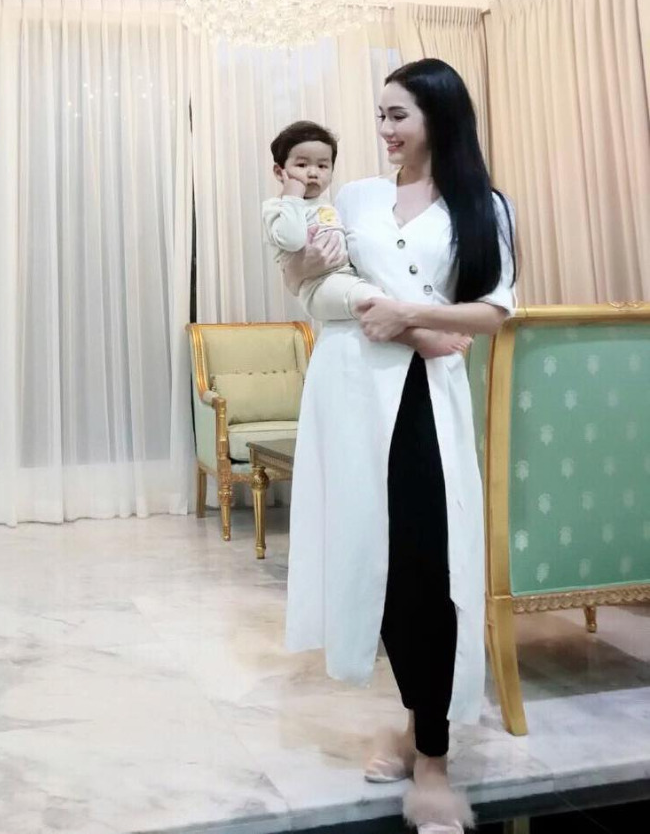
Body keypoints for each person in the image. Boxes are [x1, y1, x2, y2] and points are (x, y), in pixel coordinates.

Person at [282, 59, 517, 834]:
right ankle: (414, 724)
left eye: (397, 116)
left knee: (429, 566)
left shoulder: (483, 208)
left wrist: (412, 319)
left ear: (438, 117)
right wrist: (308, 262)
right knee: (373, 563)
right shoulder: (354, 198)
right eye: (379, 115)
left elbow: (494, 311)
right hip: (349, 395)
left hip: (426, 401)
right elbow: (309, 291)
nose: (383, 130)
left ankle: (434, 762)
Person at [264, 120, 471, 360]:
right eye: (302, 165)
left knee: (381, 298)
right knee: (372, 301)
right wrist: (292, 197)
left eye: (322, 166)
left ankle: (423, 329)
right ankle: (418, 338)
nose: (313, 172)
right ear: (279, 172)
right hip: (319, 286)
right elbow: (291, 239)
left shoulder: (328, 204)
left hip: (345, 278)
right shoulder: (276, 208)